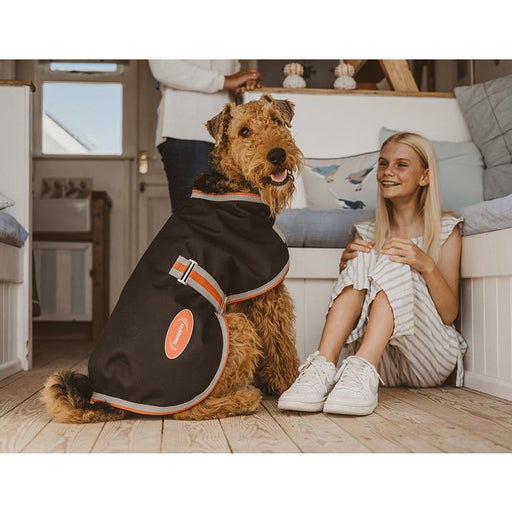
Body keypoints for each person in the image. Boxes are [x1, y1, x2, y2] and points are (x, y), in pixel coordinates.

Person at [278, 131, 467, 416]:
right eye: (383, 164)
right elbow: (358, 300)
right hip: (382, 366)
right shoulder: (365, 231)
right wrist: (348, 268)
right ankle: (323, 366)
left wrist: (425, 264)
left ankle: (361, 364)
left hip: (431, 358)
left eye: (401, 165)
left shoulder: (446, 229)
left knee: (393, 255)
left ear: (424, 177)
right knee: (365, 254)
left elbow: (449, 314)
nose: (388, 171)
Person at [149, 60, 262, 212]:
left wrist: (242, 83)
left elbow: (233, 71)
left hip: (227, 137)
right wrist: (225, 81)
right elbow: (164, 67)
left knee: (229, 213)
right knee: (194, 215)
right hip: (186, 132)